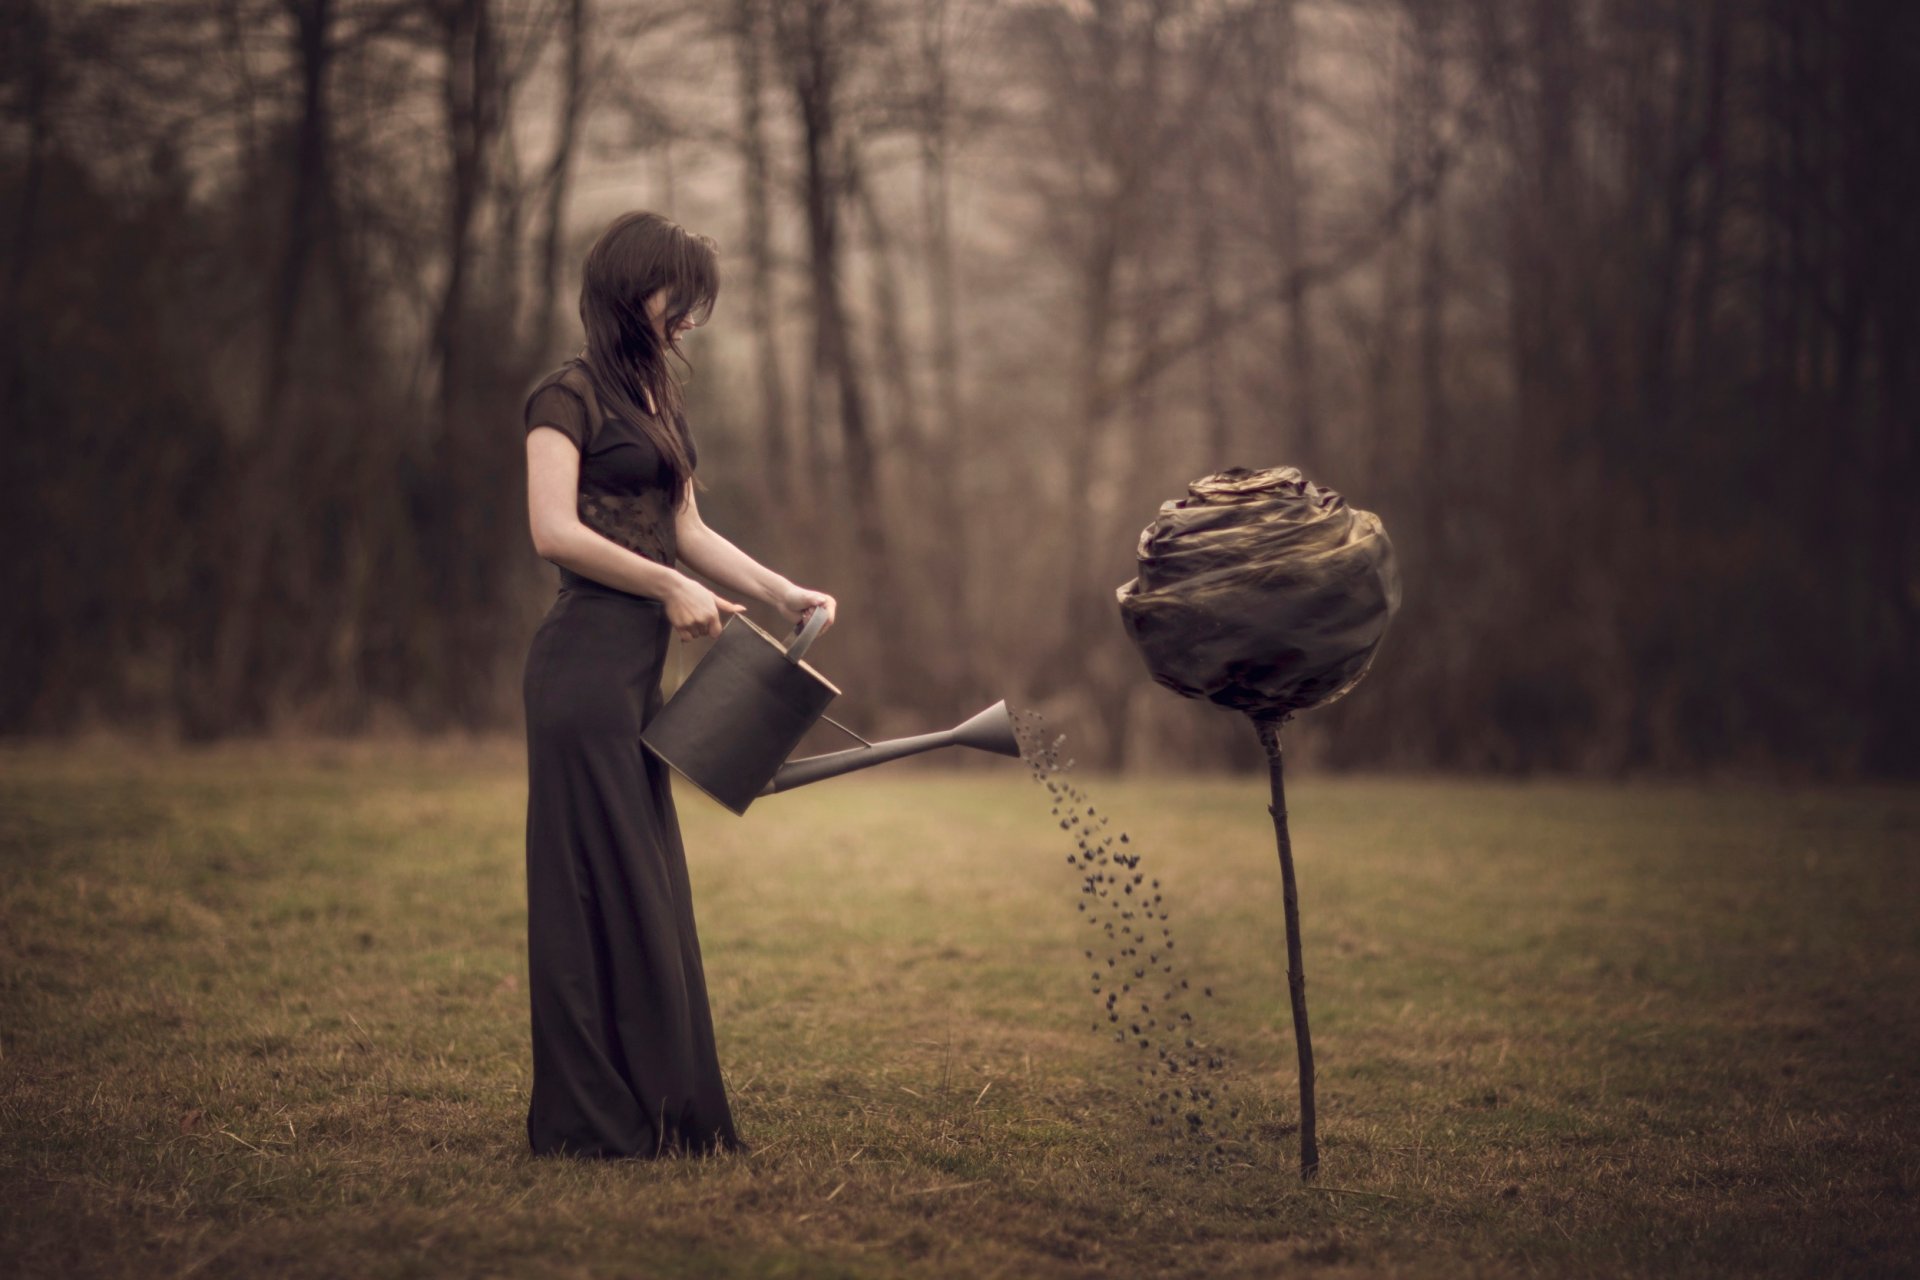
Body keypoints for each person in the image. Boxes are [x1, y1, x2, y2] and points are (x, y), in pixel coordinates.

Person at [519, 210, 836, 1158]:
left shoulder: (655, 399)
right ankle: (591, 1120)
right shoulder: (562, 396)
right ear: (630, 289)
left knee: (645, 883)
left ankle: (662, 1111)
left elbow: (686, 529)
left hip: (635, 679)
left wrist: (782, 590)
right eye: (678, 297)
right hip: (580, 673)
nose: (689, 317)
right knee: (590, 887)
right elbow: (552, 531)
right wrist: (665, 588)